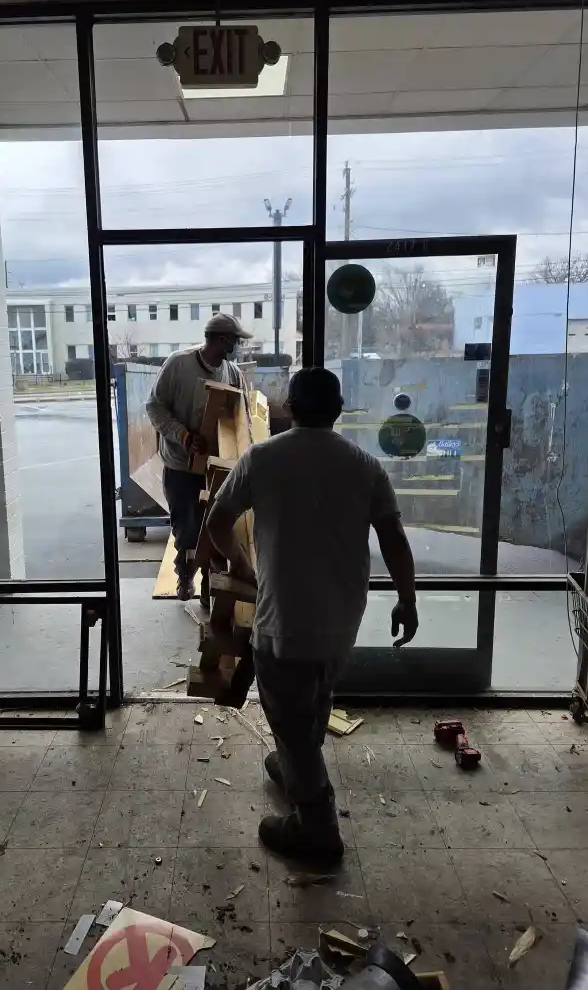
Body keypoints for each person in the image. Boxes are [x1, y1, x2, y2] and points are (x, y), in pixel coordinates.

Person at [206, 366, 418, 868]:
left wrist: (240, 564)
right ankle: (297, 762)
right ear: (338, 411)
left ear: (290, 408)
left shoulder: (262, 459)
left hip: (283, 622)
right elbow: (393, 539)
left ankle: (316, 827)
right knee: (315, 696)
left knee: (287, 711)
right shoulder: (365, 465)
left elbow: (217, 522)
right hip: (341, 620)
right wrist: (407, 599)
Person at [146, 313, 252, 601]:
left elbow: (244, 418)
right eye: (235, 340)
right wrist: (183, 436)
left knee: (216, 530)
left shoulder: (232, 373)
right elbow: (154, 407)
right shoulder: (178, 364)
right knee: (187, 530)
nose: (238, 345)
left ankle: (209, 586)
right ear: (221, 339)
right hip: (181, 467)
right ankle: (185, 576)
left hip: (217, 468)